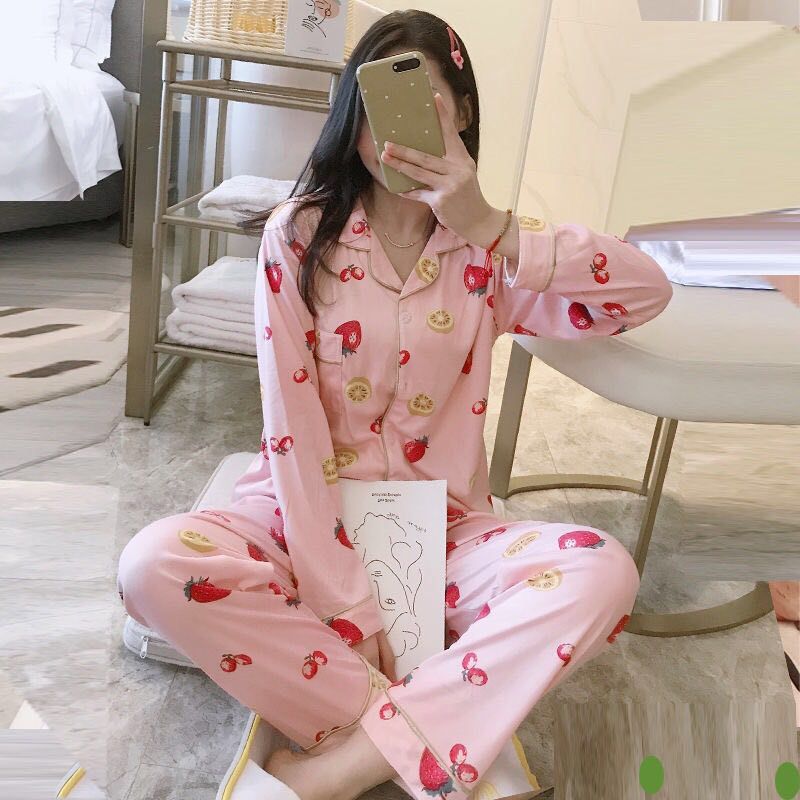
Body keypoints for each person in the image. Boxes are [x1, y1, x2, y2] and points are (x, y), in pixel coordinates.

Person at [116, 10, 674, 800]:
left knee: (603, 572)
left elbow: (645, 293)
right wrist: (347, 601)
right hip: (296, 525)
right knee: (153, 565)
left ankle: (340, 765)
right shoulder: (299, 237)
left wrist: (492, 227)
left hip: (442, 536)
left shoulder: (490, 254)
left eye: (418, 109)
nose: (391, 139)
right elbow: (291, 432)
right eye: (372, 111)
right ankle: (441, 726)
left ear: (463, 113)